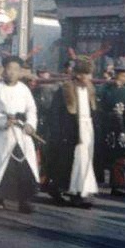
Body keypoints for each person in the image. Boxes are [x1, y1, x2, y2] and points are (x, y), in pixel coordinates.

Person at [0, 56, 39, 213]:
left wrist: (30, 124)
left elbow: (32, 110)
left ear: (20, 72)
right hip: (3, 135)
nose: (12, 72)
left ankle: (24, 201)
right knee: (2, 167)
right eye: (9, 69)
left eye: (15, 69)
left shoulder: (24, 89)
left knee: (23, 168)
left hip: (21, 135)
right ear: (4, 71)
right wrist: (2, 121)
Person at [46, 56, 99, 208]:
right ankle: (67, 190)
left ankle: (81, 191)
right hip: (70, 131)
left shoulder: (90, 90)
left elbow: (93, 112)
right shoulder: (65, 90)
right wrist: (58, 133)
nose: (89, 78)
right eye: (86, 74)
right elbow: (55, 114)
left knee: (85, 162)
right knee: (70, 162)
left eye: (90, 74)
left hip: (87, 129)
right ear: (78, 74)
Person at [96, 59, 125, 197]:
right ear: (116, 74)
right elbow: (98, 107)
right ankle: (95, 181)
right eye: (122, 75)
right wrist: (106, 116)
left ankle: (117, 185)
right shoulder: (105, 89)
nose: (124, 79)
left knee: (119, 158)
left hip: (120, 128)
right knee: (101, 155)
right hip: (106, 127)